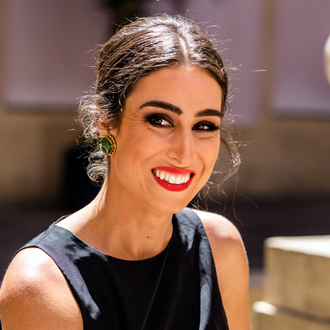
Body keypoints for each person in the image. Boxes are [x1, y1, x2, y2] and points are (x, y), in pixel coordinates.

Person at [0, 15, 250, 330]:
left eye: (204, 125)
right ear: (106, 122)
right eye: (160, 120)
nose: (185, 153)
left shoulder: (220, 247)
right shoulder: (42, 284)